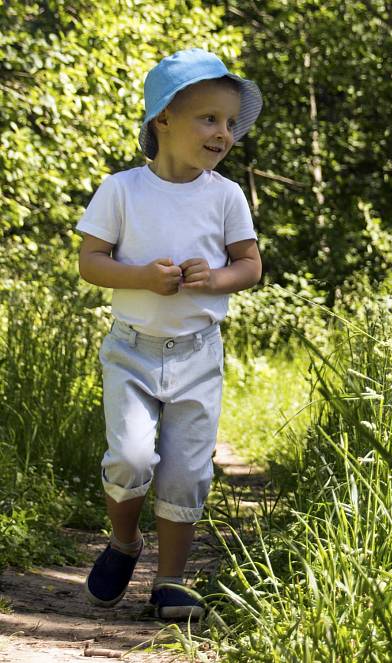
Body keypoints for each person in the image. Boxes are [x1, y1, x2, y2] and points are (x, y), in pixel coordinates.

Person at [75, 47, 263, 620]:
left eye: (230, 123)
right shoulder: (122, 190)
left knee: (186, 470)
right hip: (131, 349)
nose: (223, 133)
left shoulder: (225, 195)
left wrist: (216, 280)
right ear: (163, 120)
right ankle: (124, 543)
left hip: (199, 354)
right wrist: (139, 277)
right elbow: (90, 261)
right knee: (130, 458)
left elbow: (250, 266)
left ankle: (173, 580)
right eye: (209, 118)